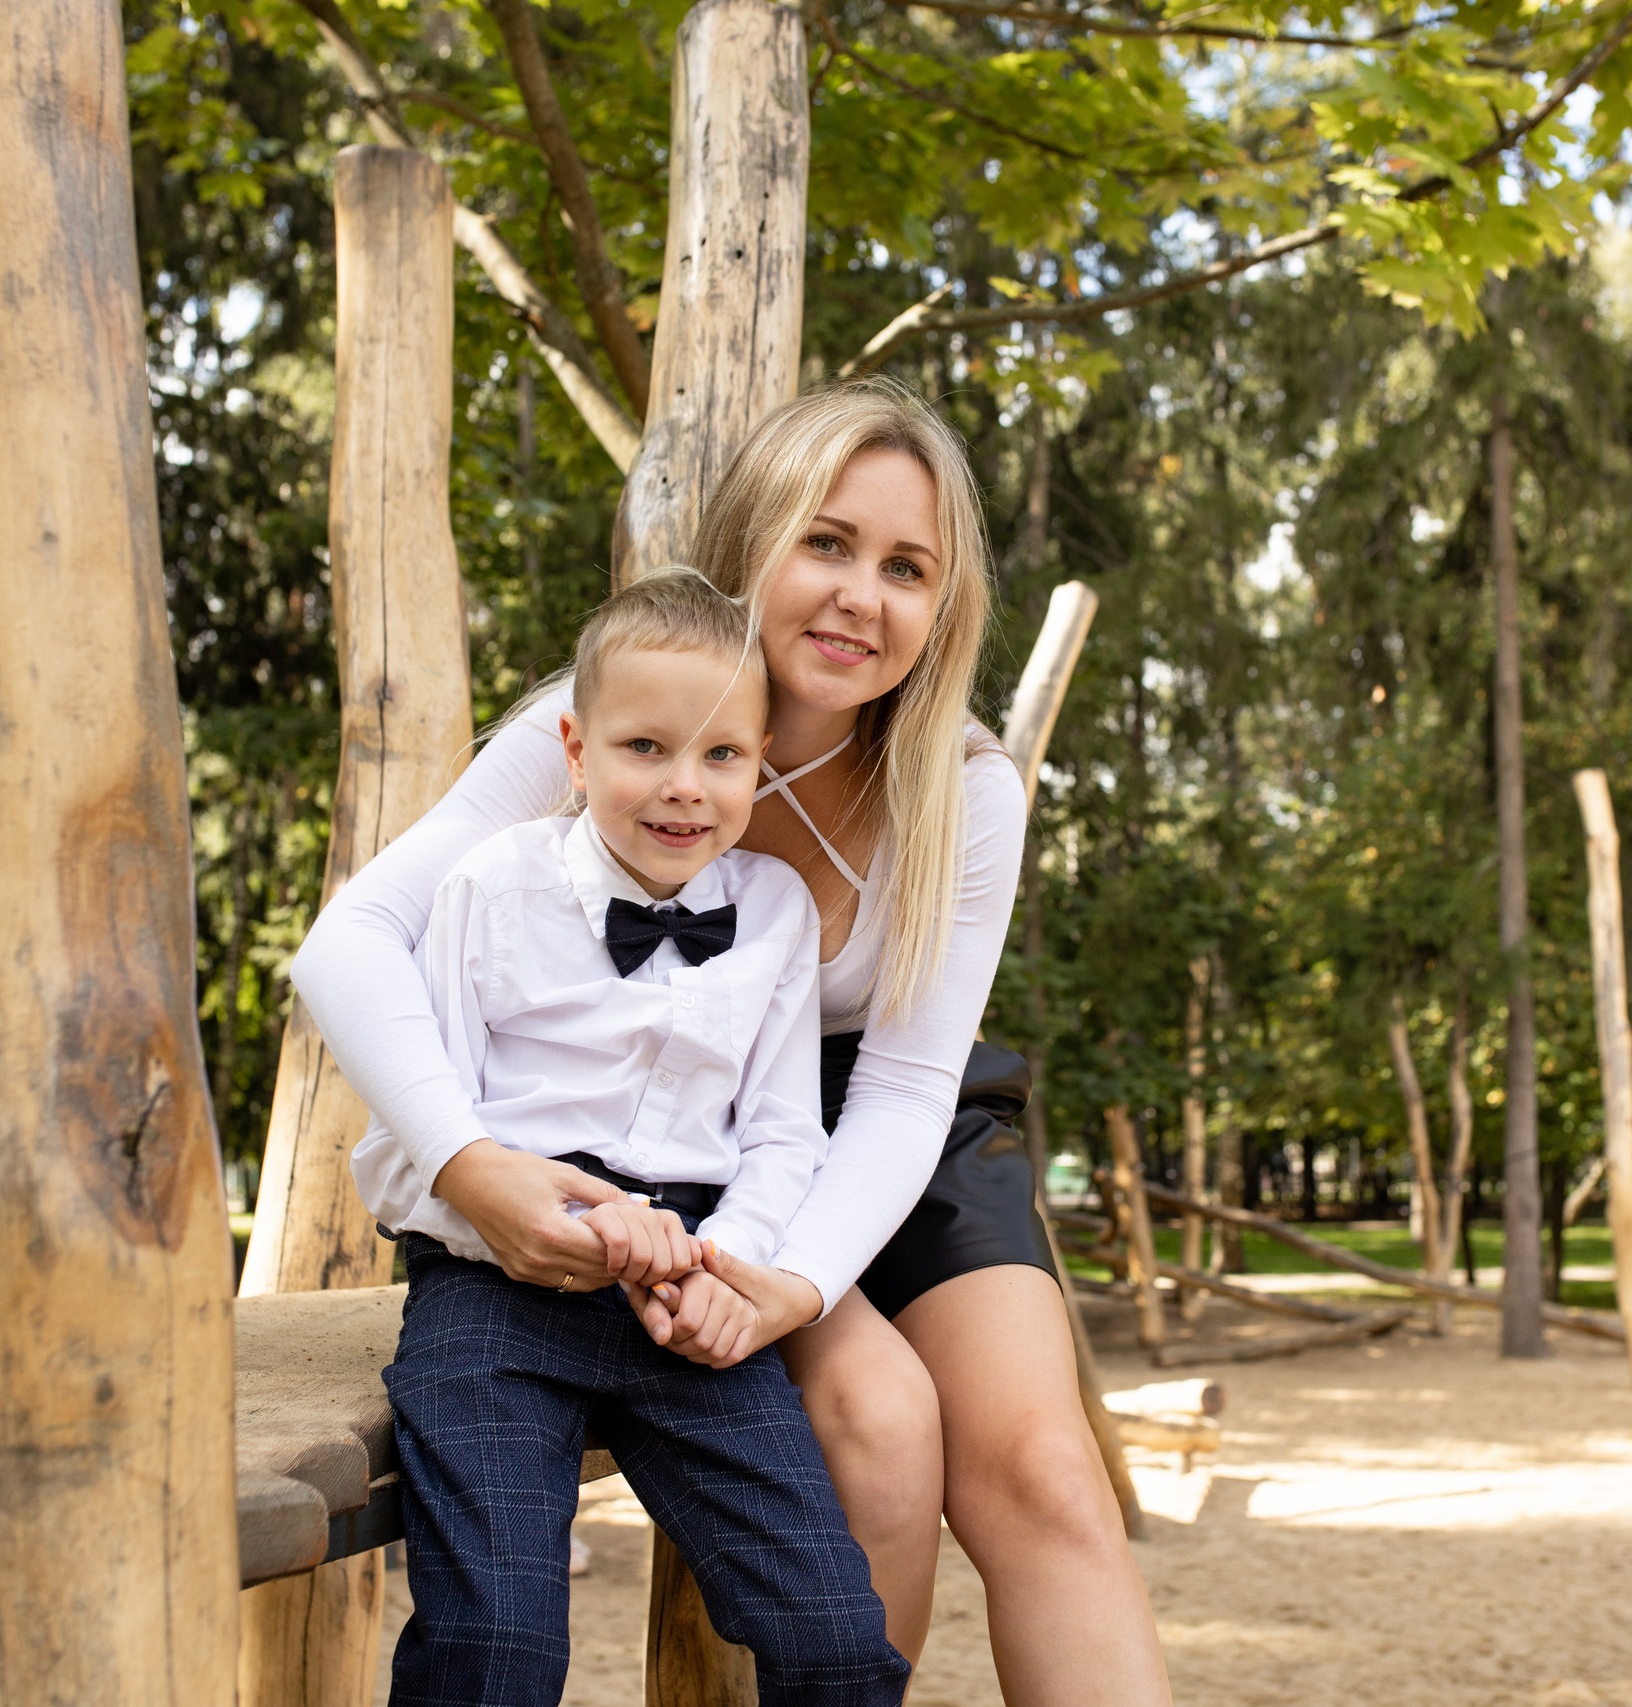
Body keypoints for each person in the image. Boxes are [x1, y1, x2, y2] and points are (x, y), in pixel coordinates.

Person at [294, 381, 1172, 1703]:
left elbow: (909, 1081)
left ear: (946, 604)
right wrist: (473, 1161)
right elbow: (353, 941)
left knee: (1046, 1469)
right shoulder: (606, 728)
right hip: (668, 1132)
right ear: (755, 536)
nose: (858, 594)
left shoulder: (966, 785)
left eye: (906, 567)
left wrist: (792, 1279)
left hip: (893, 1119)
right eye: (826, 541)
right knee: (878, 1415)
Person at [352, 569, 907, 1707]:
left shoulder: (775, 914)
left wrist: (731, 1271)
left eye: (721, 758)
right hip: (494, 1289)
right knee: (498, 1650)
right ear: (573, 748)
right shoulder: (490, 886)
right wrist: (532, 1217)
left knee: (840, 1641)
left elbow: (783, 1137)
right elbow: (405, 1146)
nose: (683, 790)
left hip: (693, 1300)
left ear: (762, 764)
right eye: (644, 747)